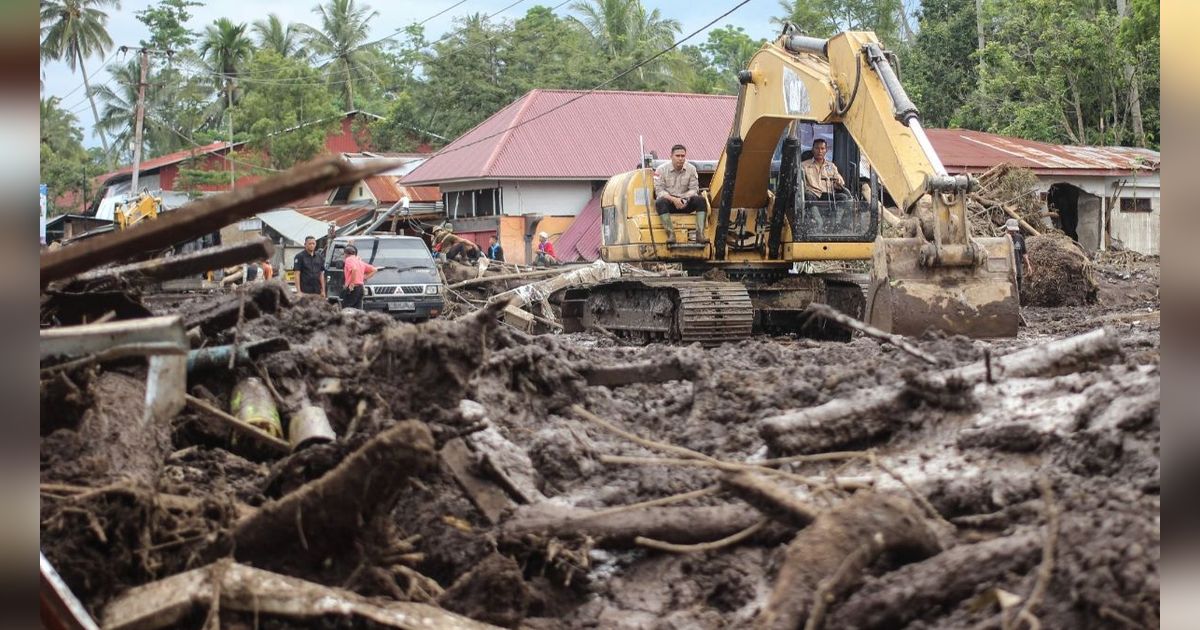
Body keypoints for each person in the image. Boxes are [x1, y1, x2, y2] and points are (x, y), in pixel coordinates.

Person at [653, 144, 706, 244]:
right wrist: (674, 199)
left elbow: (694, 189)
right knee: (660, 202)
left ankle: (700, 234)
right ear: (671, 156)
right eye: (678, 156)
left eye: (683, 156)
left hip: (685, 201)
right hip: (670, 203)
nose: (680, 159)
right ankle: (671, 234)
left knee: (701, 200)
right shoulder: (661, 170)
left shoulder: (691, 169)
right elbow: (659, 191)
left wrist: (684, 199)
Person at [800, 138, 851, 229]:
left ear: (826, 150)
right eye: (817, 148)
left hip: (827, 195)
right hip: (813, 195)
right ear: (813, 150)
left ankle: (837, 224)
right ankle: (819, 223)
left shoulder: (831, 166)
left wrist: (838, 182)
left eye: (822, 148)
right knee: (808, 195)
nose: (820, 151)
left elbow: (839, 180)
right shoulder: (804, 165)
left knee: (844, 197)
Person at [340, 244, 377, 309]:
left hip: (353, 288)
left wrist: (352, 283)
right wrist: (364, 278)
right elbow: (374, 269)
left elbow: (354, 269)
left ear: (346, 254)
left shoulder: (348, 259)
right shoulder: (359, 261)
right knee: (358, 310)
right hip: (360, 288)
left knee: (346, 308)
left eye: (344, 254)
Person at [1006, 219, 1034, 295]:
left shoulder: (1019, 238)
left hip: (1018, 268)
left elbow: (1024, 253)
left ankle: (1018, 304)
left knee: (1018, 289)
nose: (1012, 232)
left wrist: (1028, 265)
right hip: (1007, 270)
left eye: (1014, 230)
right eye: (1011, 230)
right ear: (1007, 228)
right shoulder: (1002, 239)